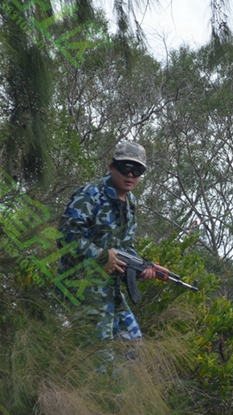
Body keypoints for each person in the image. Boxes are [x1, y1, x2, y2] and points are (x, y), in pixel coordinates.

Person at [58, 141, 170, 353]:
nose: (130, 174)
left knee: (132, 347)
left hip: (110, 289)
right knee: (98, 356)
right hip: (82, 287)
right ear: (111, 167)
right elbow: (66, 237)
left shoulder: (130, 202)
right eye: (125, 168)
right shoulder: (89, 195)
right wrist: (101, 255)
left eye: (137, 170)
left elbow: (124, 245)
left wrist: (141, 267)